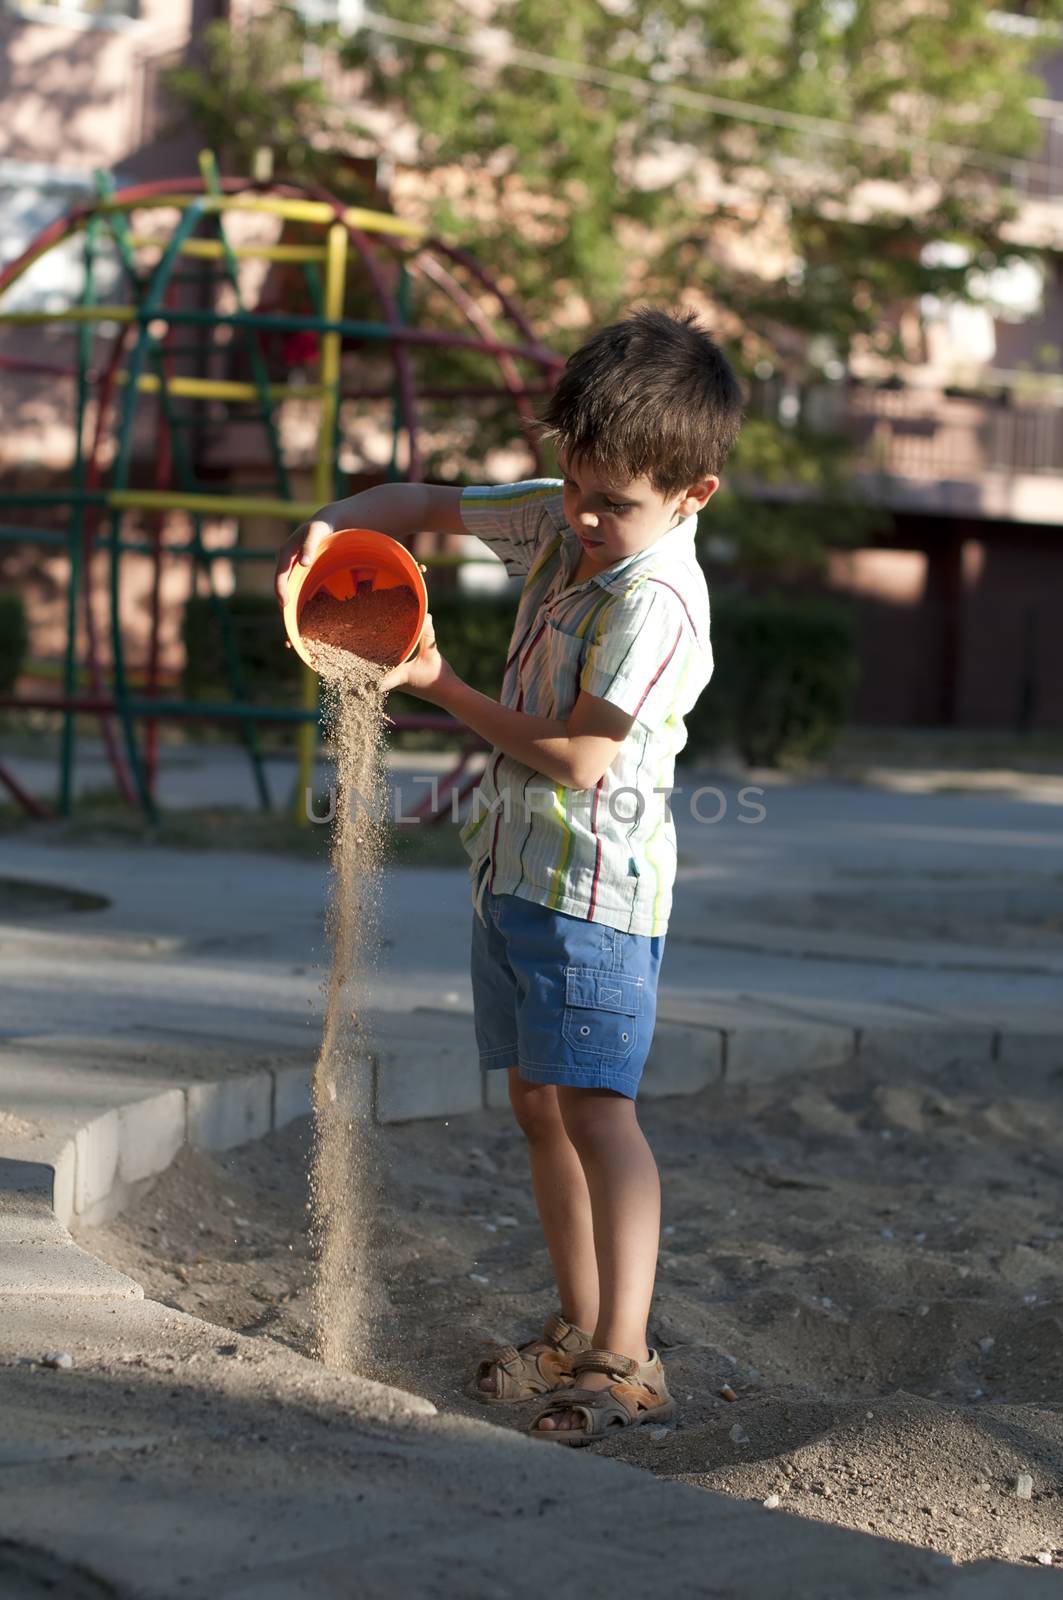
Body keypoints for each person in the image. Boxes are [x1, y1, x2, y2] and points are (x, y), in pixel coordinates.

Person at [275, 306, 743, 1443]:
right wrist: (329, 529)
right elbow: (425, 505)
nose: (582, 518)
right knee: (538, 1102)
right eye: (574, 483)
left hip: (595, 897)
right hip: (518, 879)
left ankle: (629, 1357)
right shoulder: (559, 519)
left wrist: (435, 681)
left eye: (613, 504)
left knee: (598, 1108)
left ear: (691, 494)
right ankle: (580, 1327)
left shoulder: (656, 602)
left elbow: (582, 757)